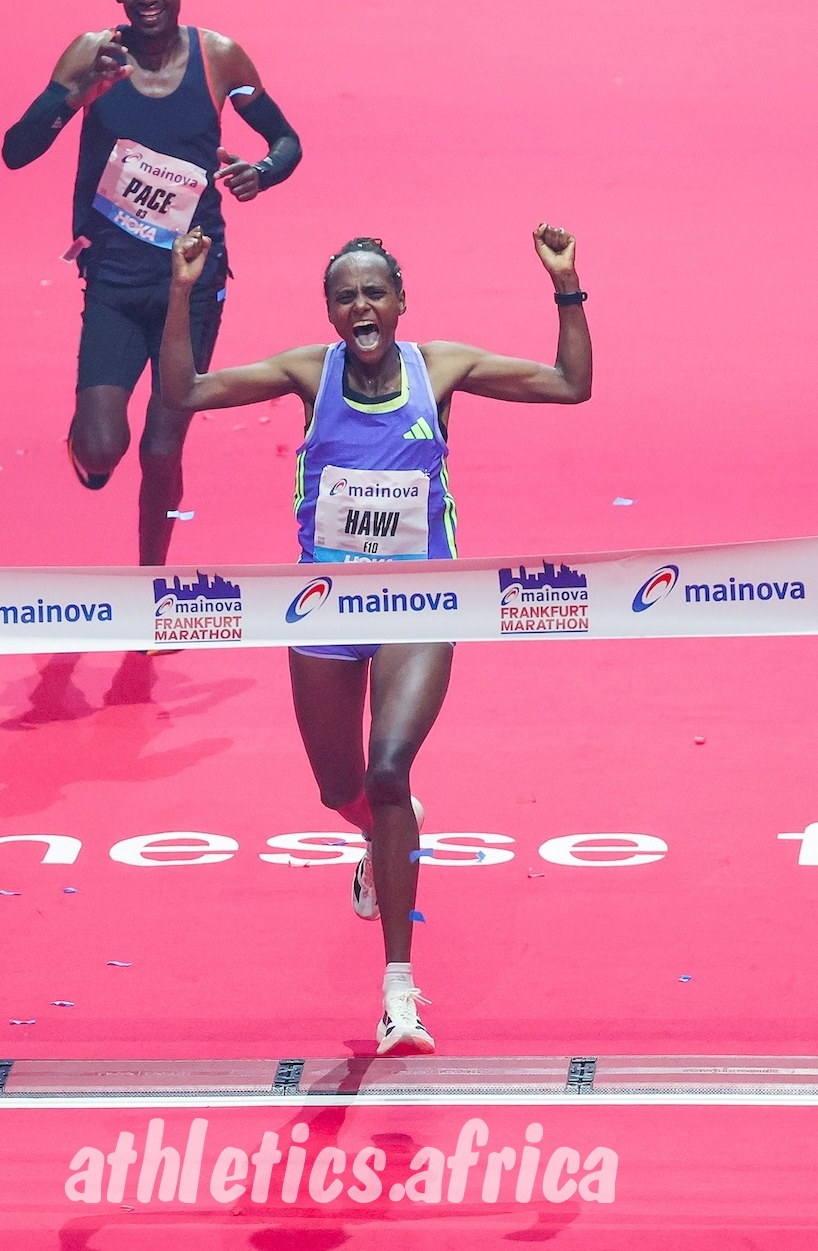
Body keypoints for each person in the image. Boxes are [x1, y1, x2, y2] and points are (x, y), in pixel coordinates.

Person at [159, 224, 591, 1054]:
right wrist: (182, 291)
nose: (361, 306)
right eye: (345, 296)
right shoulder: (306, 373)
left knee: (388, 770)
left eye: (374, 292)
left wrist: (566, 283)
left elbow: (572, 384)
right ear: (330, 311)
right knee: (339, 788)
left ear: (400, 302)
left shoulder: (442, 367)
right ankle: (375, 837)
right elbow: (183, 392)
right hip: (322, 607)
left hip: (423, 602)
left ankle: (399, 990)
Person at [1, 0, 302, 566]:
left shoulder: (221, 59)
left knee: (162, 451)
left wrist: (259, 174)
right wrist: (76, 97)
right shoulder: (93, 53)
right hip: (113, 280)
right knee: (103, 449)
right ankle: (85, 442)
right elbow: (16, 150)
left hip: (191, 282)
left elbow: (286, 141)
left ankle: (153, 583)